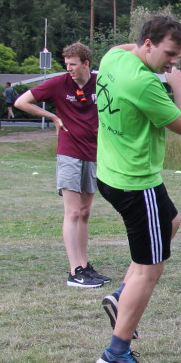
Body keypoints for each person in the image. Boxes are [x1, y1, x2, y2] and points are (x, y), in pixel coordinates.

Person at [93, 16, 181, 363]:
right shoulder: (143, 84)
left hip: (109, 173)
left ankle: (121, 297)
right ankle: (116, 352)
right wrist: (178, 85)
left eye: (178, 57)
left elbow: (121, 47)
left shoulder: (114, 59)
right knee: (151, 269)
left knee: (172, 222)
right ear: (149, 44)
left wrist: (173, 56)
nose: (172, 63)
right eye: (169, 54)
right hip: (137, 184)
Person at [13, 42, 111, 289]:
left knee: (86, 212)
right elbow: (21, 102)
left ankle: (85, 266)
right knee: (73, 212)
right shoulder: (58, 84)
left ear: (86, 64)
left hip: (93, 153)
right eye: (66, 64)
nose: (69, 69)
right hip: (69, 153)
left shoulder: (100, 82)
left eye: (73, 65)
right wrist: (54, 117)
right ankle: (74, 271)